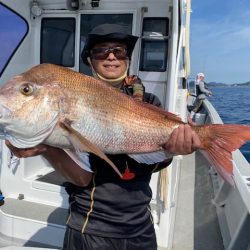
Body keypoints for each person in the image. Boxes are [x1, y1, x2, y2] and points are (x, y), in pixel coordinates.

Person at [5, 24, 201, 250]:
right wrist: (48, 148)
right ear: (90, 59)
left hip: (141, 225)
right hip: (91, 227)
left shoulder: (149, 102)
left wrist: (174, 150)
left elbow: (153, 165)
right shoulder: (74, 99)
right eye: (101, 51)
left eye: (119, 51)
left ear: (127, 59)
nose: (111, 57)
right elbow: (81, 179)